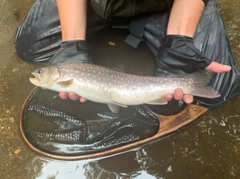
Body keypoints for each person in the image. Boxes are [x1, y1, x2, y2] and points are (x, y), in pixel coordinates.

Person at [16, 0, 239, 108]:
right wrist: (72, 41)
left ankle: (164, 30)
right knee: (30, 47)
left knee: (221, 87)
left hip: (168, 5)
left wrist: (179, 38)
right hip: (96, 5)